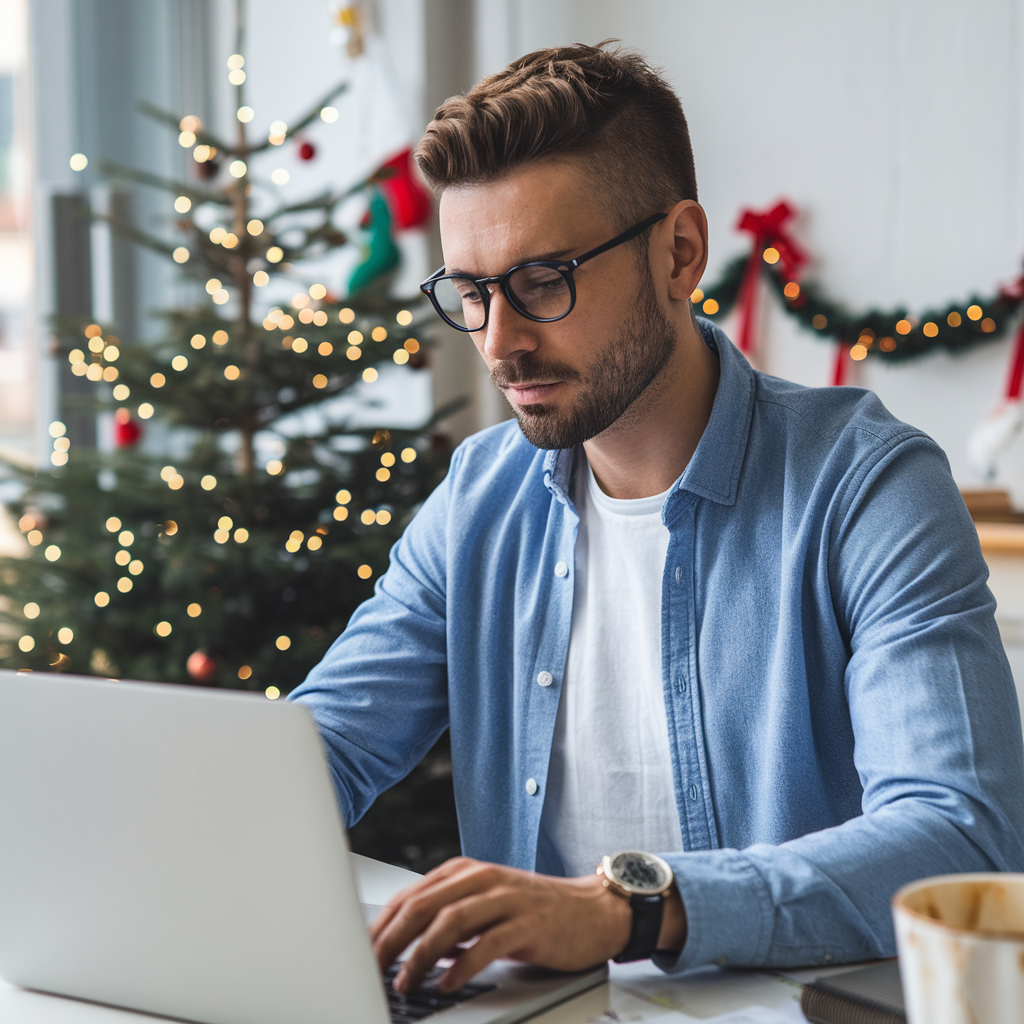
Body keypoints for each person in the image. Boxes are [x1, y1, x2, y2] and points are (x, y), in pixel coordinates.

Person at [289, 42, 1024, 994]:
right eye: (468, 293)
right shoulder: (480, 496)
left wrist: (626, 910)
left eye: (543, 278)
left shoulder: (868, 487)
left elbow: (959, 834)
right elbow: (323, 749)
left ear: (680, 253)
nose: (501, 341)